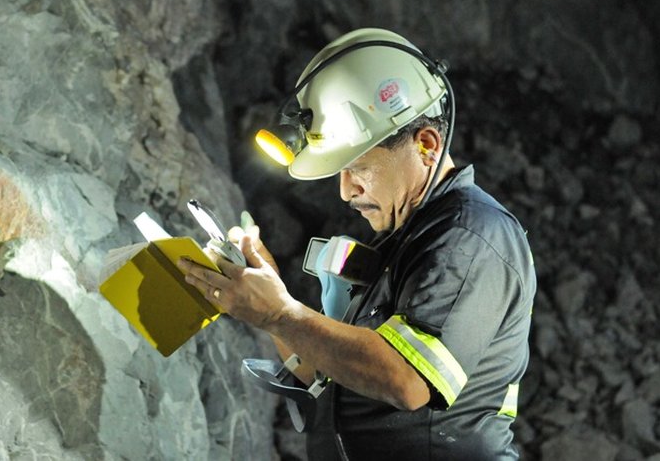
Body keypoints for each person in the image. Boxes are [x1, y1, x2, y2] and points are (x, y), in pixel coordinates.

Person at [180, 28, 536, 460]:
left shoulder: (469, 237)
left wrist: (280, 311)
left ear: (426, 144)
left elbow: (406, 380)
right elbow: (324, 367)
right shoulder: (405, 242)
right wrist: (268, 295)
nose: (346, 191)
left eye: (357, 168)